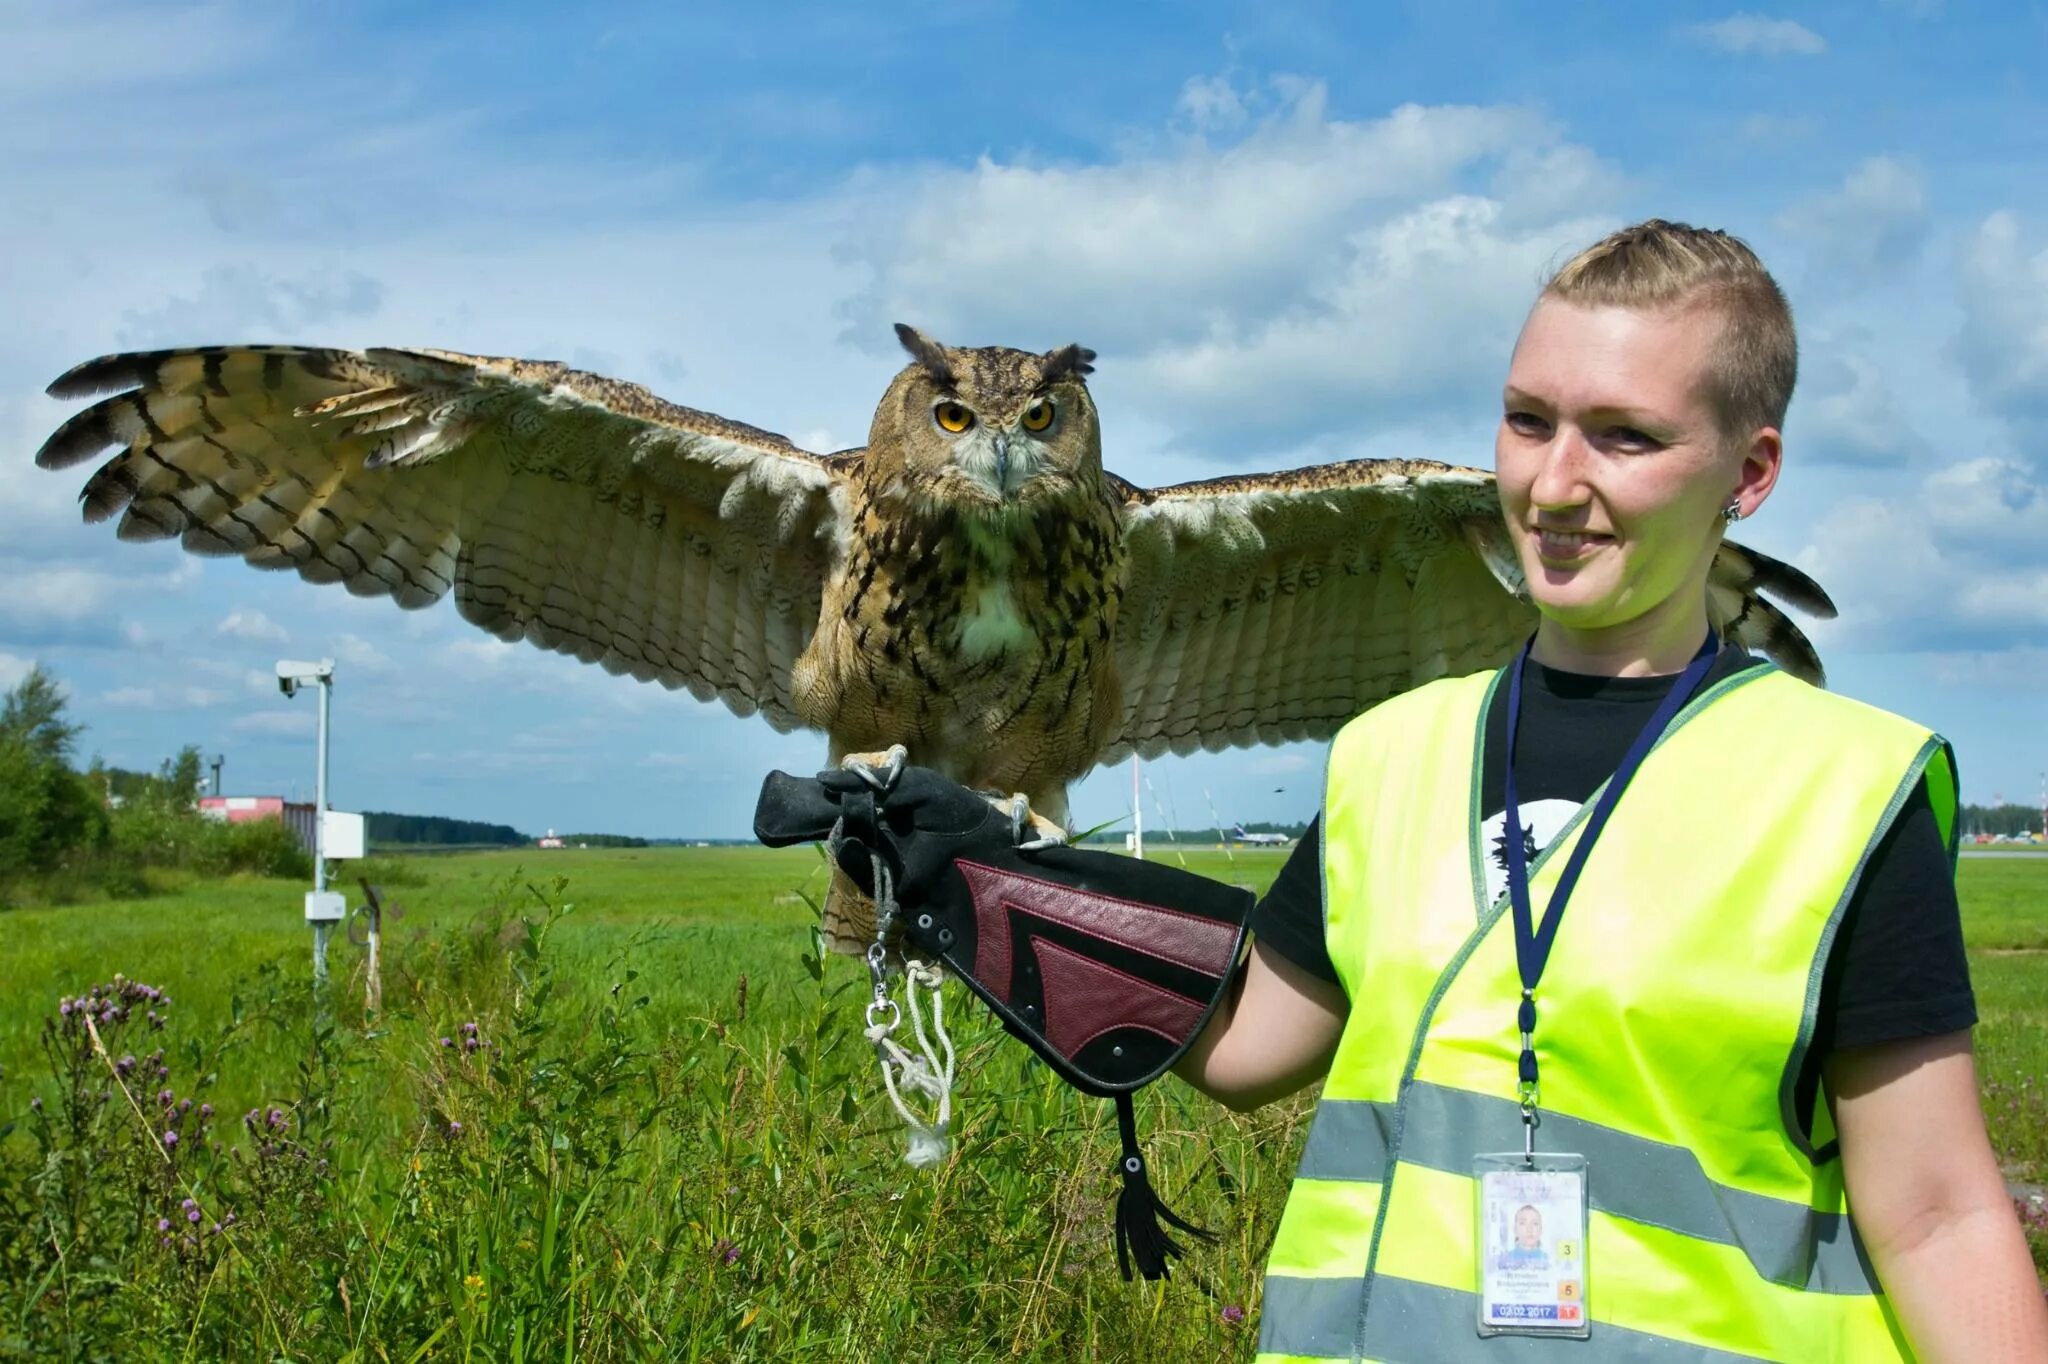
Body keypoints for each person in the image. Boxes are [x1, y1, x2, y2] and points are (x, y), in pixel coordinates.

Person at [1168, 220, 2048, 1361]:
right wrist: (990, 884)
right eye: (1527, 419)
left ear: (1749, 471)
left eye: (1623, 437)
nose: (1551, 481)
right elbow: (1240, 1044)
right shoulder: (1391, 753)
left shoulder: (1841, 791)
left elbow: (1934, 1213)